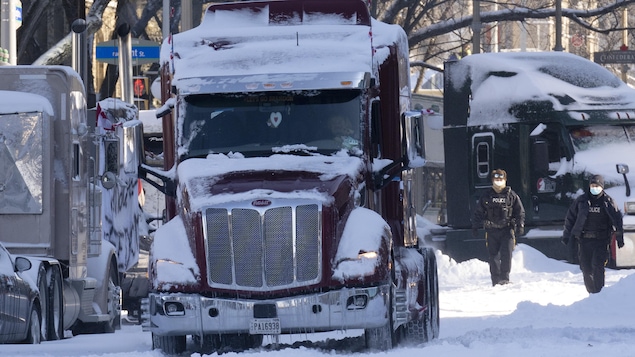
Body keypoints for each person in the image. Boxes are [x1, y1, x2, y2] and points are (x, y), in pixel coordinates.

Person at [561, 174, 624, 294]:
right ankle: (592, 292)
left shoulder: (608, 202)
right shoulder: (581, 201)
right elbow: (570, 218)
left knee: (598, 266)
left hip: (601, 240)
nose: (594, 188)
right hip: (584, 240)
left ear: (602, 187)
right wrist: (567, 235)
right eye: (592, 185)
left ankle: (599, 293)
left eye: (597, 185)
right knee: (586, 268)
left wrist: (620, 237)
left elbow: (617, 219)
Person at [471, 169, 525, 286]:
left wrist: (520, 225)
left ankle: (504, 279)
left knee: (507, 255)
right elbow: (478, 212)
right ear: (492, 180)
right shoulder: (486, 196)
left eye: (501, 179)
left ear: (505, 180)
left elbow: (519, 212)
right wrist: (475, 226)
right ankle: (495, 281)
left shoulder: (511, 196)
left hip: (507, 230)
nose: (498, 181)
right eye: (496, 179)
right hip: (491, 231)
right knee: (493, 256)